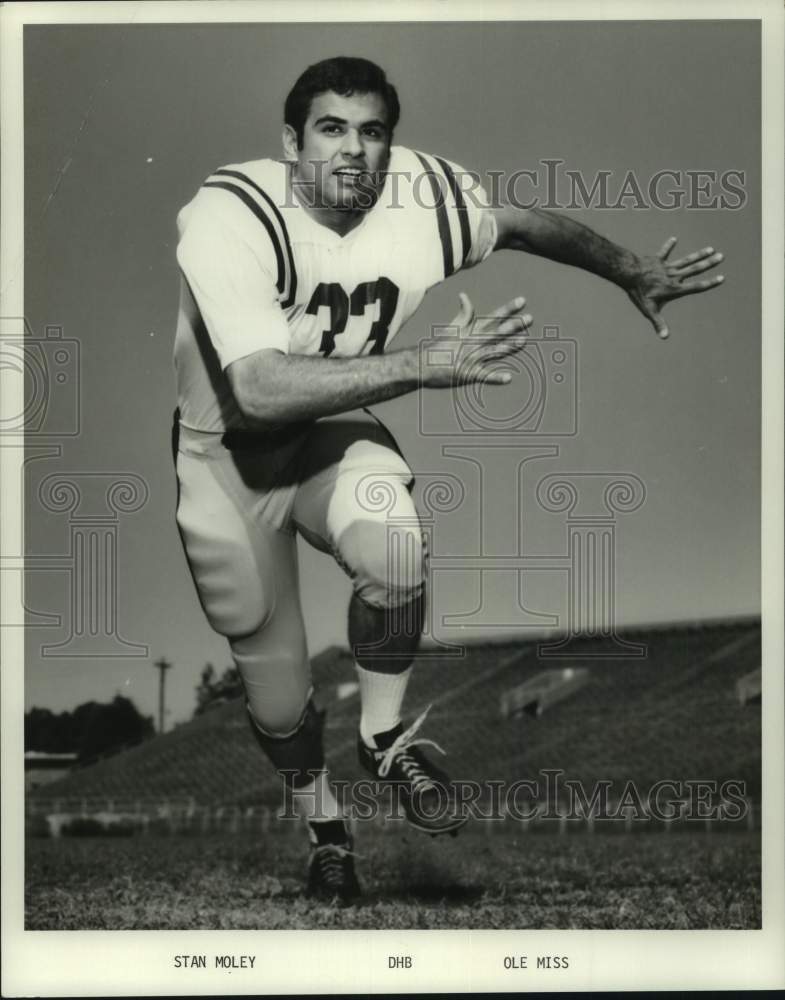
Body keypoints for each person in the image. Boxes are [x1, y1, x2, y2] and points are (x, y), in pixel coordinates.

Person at [172, 56, 724, 904]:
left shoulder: (419, 199)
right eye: (330, 129)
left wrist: (627, 270)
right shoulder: (232, 213)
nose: (354, 151)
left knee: (395, 542)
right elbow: (258, 387)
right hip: (227, 460)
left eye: (372, 131)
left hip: (323, 437)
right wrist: (423, 364)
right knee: (277, 698)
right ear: (290, 142)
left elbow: (523, 224)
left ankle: (386, 738)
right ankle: (325, 829)